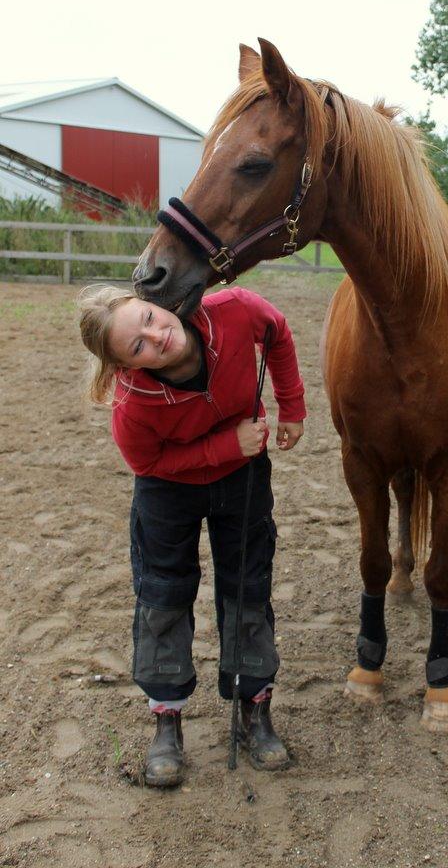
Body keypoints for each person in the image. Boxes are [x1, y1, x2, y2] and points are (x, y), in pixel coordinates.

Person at [77, 284, 306, 787]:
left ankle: (254, 708)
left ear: (158, 303)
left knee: (248, 587)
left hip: (242, 479)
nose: (157, 336)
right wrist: (228, 444)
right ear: (124, 366)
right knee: (164, 596)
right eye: (137, 345)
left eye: (150, 317)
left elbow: (278, 332)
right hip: (169, 491)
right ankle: (167, 720)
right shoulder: (132, 405)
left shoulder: (233, 310)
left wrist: (291, 407)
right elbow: (148, 464)